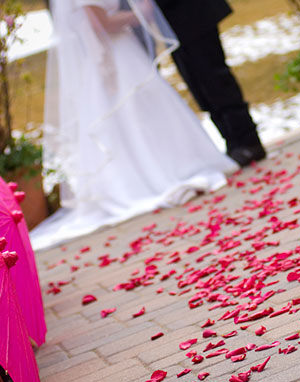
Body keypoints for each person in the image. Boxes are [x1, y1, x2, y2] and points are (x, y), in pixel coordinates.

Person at [33, 0, 238, 250]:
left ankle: (166, 165)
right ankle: (149, 176)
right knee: (130, 114)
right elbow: (100, 24)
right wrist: (137, 15)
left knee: (148, 113)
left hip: (125, 48)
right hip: (115, 53)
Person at [155, 0, 266, 166]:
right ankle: (232, 141)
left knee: (214, 77)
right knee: (198, 85)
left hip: (193, 13)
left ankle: (248, 141)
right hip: (173, 24)